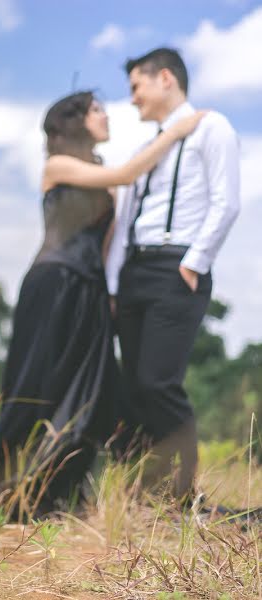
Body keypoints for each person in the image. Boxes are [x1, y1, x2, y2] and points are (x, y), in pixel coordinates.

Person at [0, 90, 206, 517]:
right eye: (97, 110)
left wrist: (110, 299)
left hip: (90, 292)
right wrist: (175, 132)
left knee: (96, 397)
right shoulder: (59, 165)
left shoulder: (101, 171)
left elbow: (107, 246)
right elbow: (128, 175)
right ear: (74, 120)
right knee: (32, 393)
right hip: (53, 285)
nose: (106, 116)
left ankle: (56, 493)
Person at [106, 48, 240, 503]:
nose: (133, 99)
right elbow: (124, 223)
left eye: (136, 87)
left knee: (158, 382)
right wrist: (112, 285)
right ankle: (146, 493)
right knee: (133, 387)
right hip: (134, 272)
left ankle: (182, 496)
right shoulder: (146, 148)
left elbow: (226, 201)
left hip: (176, 268)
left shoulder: (211, 126)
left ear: (165, 78)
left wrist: (193, 263)